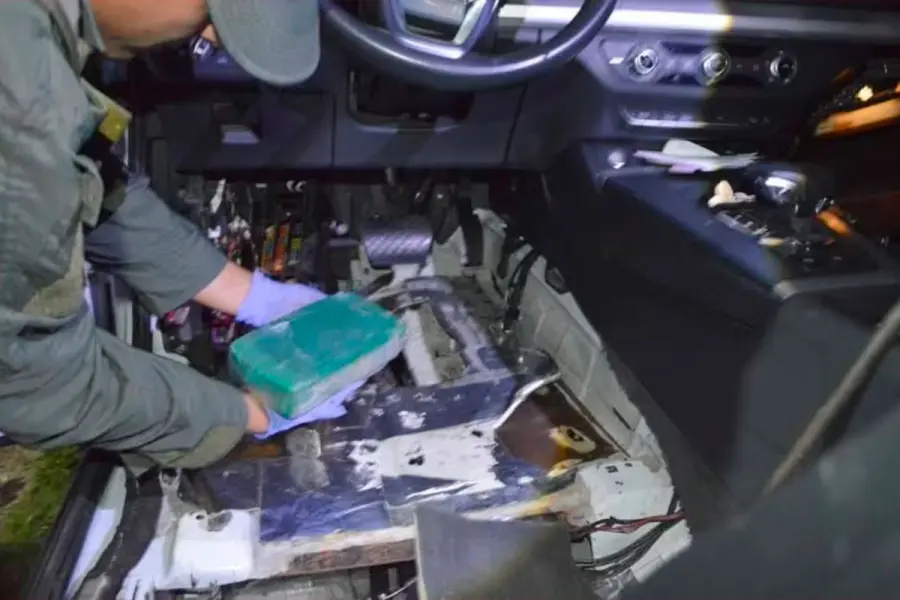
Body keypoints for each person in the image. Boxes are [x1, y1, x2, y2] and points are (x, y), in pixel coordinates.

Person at [0, 0, 334, 469]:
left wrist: (255, 296)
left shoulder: (28, 37)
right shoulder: (19, 106)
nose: (211, 40)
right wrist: (249, 414)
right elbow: (38, 383)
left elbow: (87, 176)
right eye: (214, 15)